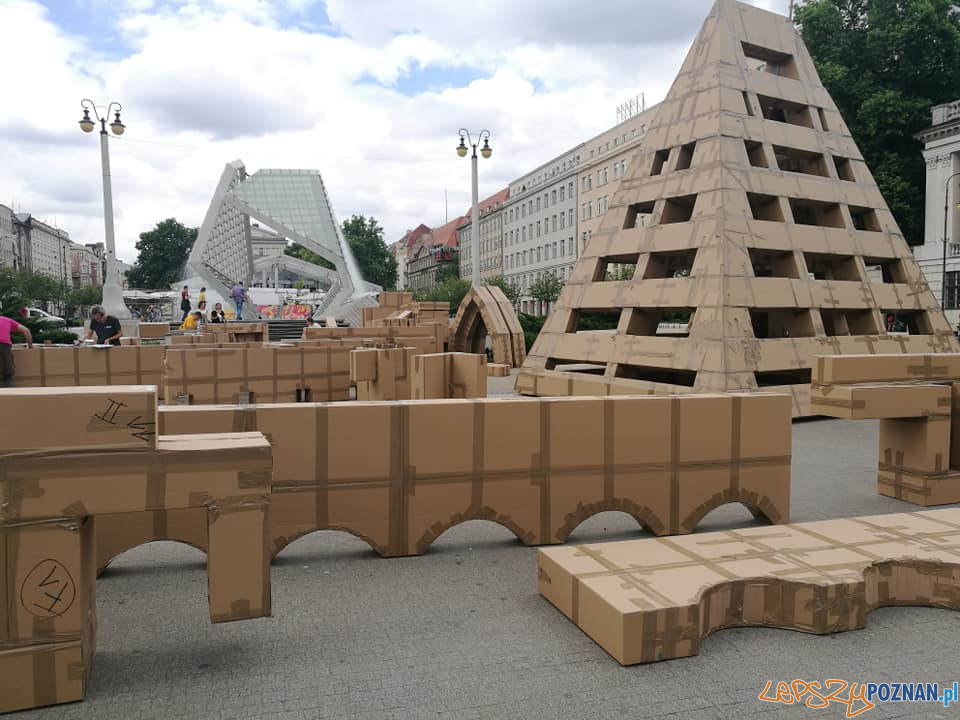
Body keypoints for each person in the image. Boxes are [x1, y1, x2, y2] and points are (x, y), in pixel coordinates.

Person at [0, 313, 33, 387]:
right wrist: (30, 347)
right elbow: (26, 331)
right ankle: (11, 394)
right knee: (7, 373)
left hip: (4, 347)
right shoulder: (7, 320)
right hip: (4, 348)